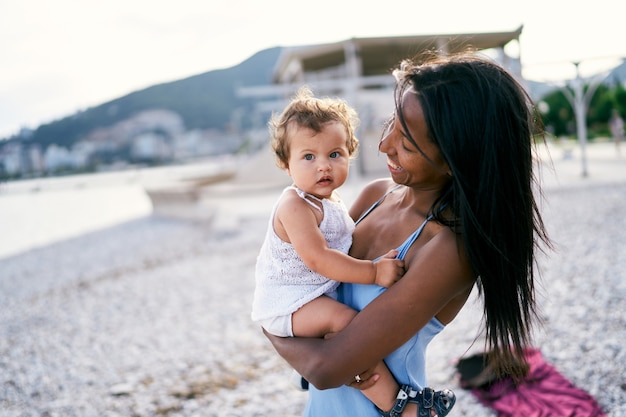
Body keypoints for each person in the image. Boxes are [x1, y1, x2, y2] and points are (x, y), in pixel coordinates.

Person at [264, 51, 552, 417]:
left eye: (408, 143)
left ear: (456, 158)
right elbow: (309, 285)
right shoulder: (374, 196)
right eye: (392, 123)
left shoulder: (450, 248)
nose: (384, 145)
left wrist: (270, 326)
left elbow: (324, 368)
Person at [251, 87, 409, 412]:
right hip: (288, 302)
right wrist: (374, 271)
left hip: (310, 293)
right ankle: (397, 403)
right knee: (347, 322)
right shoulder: (294, 205)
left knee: (342, 319)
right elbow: (319, 258)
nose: (323, 166)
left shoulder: (331, 202)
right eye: (309, 157)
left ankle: (314, 371)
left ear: (349, 153)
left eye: (334, 154)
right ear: (286, 163)